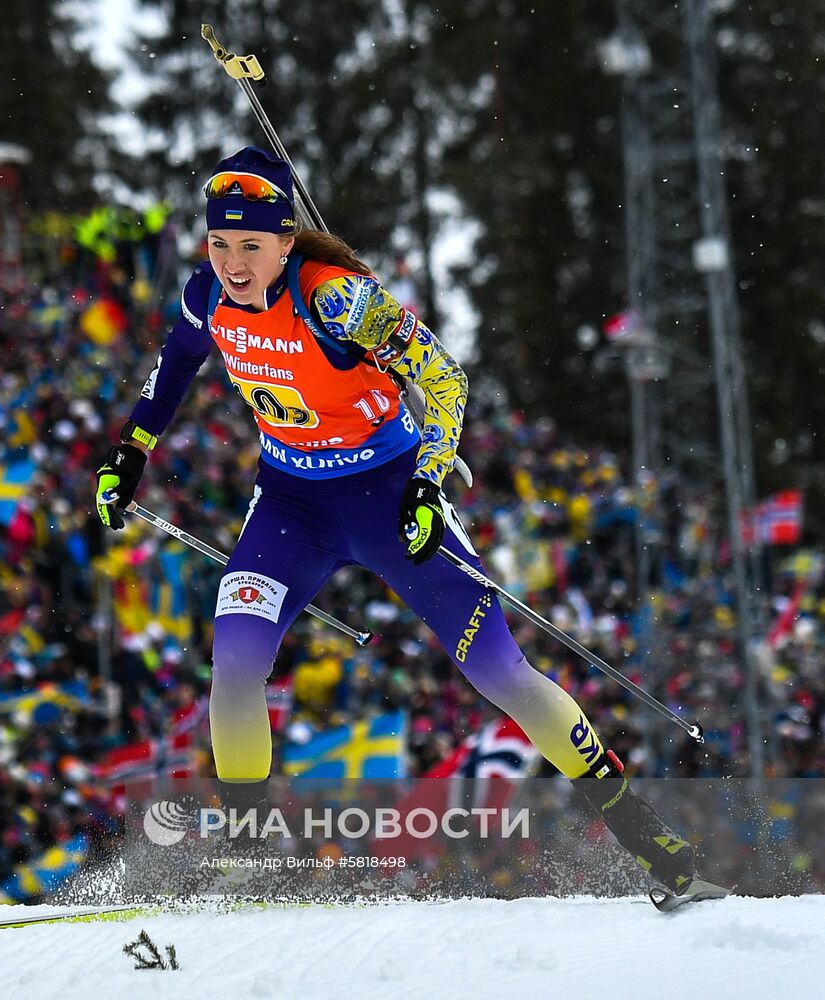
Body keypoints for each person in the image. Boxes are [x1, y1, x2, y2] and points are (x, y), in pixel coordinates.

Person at [94, 145, 723, 904]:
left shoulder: (338, 301)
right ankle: (248, 853)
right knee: (233, 663)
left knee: (500, 674)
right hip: (291, 504)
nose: (232, 261)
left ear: (285, 241)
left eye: (250, 245)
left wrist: (426, 483)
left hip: (387, 498)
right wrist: (131, 451)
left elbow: (444, 377)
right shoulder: (205, 296)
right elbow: (174, 365)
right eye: (219, 242)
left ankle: (646, 837)